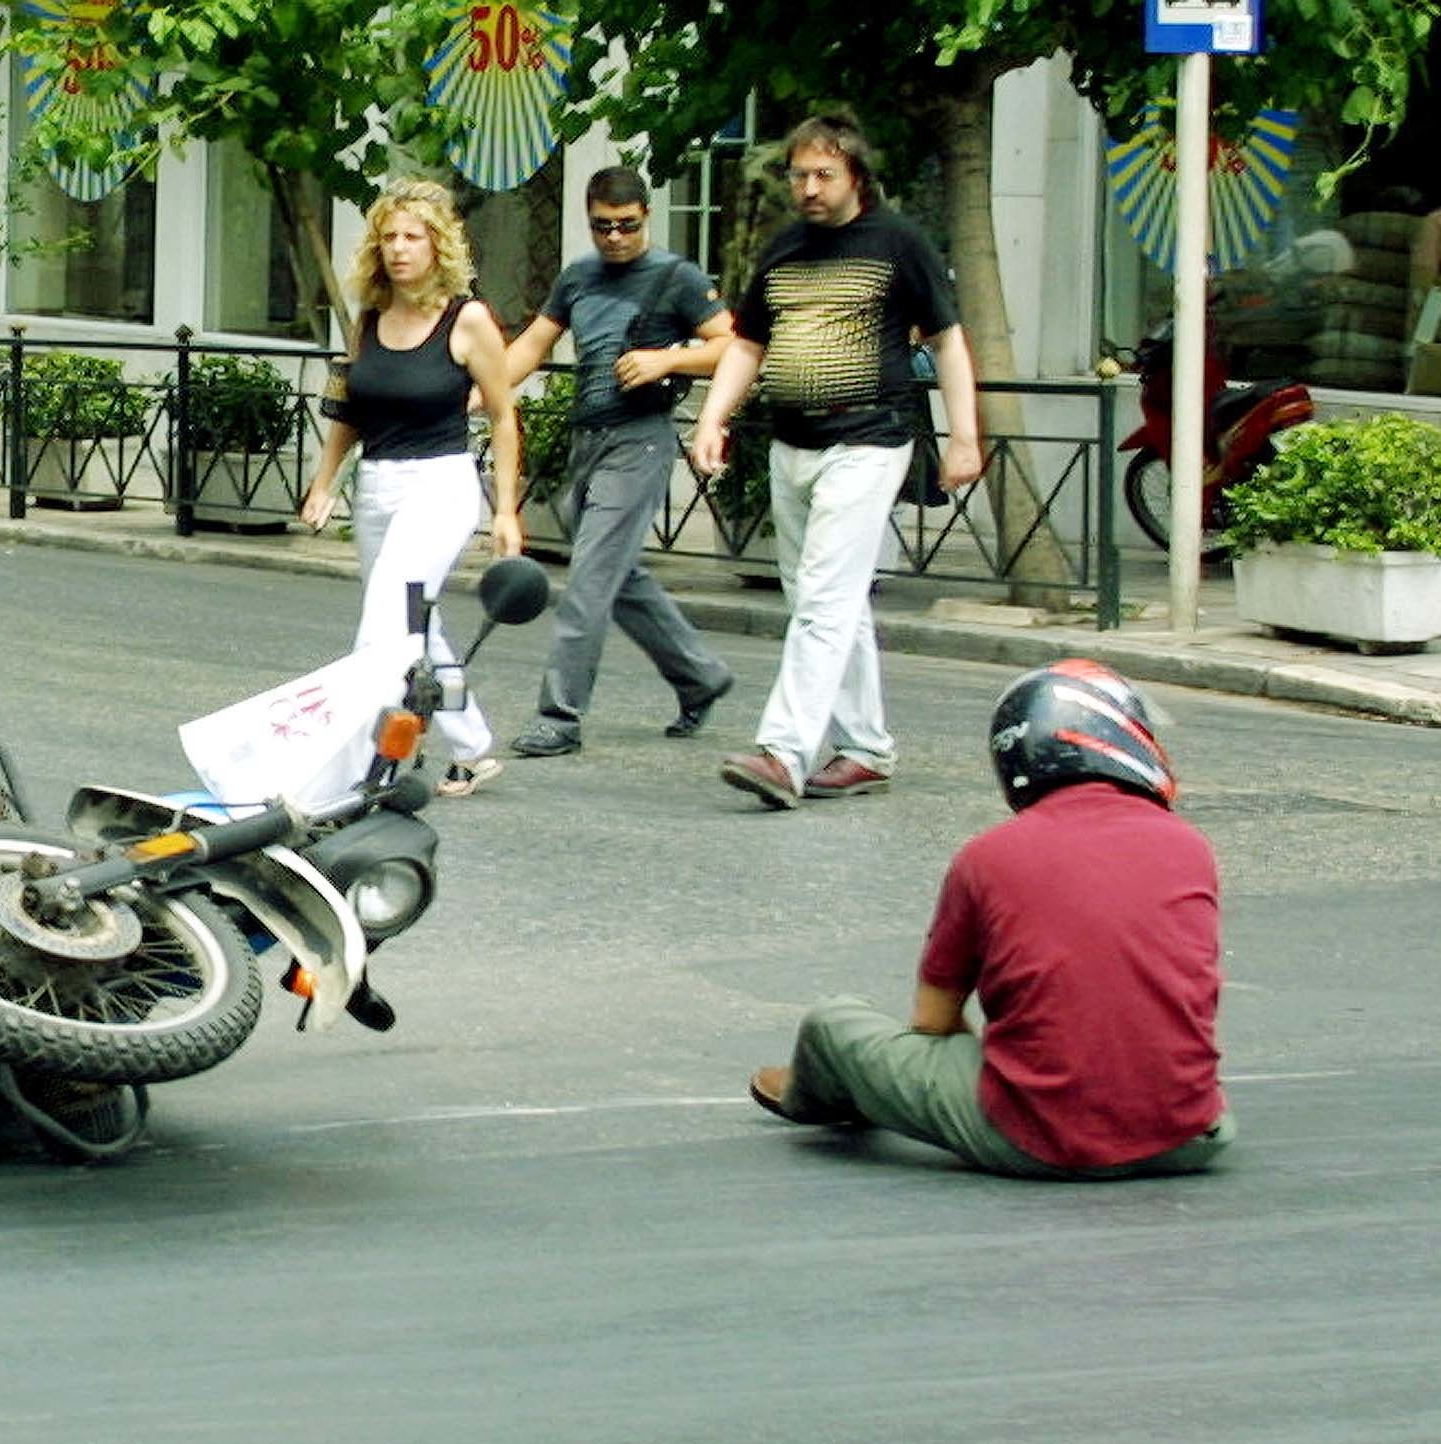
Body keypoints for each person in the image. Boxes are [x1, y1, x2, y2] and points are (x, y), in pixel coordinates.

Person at [749, 659, 1236, 1180]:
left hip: (1038, 1140)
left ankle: (819, 1094)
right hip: (1192, 1135)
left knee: (834, 1021)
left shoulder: (987, 857)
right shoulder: (1189, 847)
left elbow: (933, 1022)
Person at [692, 113, 983, 810]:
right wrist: (712, 416)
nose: (810, 188)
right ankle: (866, 749)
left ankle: (783, 754)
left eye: (824, 174)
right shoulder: (784, 247)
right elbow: (746, 344)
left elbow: (946, 341)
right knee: (826, 603)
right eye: (799, 175)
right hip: (791, 443)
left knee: (822, 598)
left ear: (857, 175)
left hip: (869, 439)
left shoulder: (898, 242)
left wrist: (965, 436)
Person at [496, 166, 737, 757]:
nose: (615, 238)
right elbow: (533, 342)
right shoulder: (578, 276)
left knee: (589, 579)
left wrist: (666, 361)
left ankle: (560, 716)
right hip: (589, 440)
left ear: (646, 217)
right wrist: (484, 391)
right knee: (617, 574)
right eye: (602, 227)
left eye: (626, 226)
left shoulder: (677, 277)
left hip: (641, 439)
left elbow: (733, 346)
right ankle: (700, 675)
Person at [301, 177, 523, 798]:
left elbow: (504, 417)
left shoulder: (467, 319)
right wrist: (325, 484)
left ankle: (355, 765)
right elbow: (349, 413)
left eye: (413, 237)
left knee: (382, 628)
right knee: (411, 625)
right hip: (377, 486)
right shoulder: (369, 319)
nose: (400, 249)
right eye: (389, 237)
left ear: (438, 246)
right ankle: (473, 745)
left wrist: (506, 510)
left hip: (440, 483)